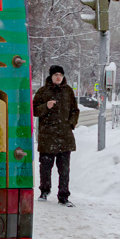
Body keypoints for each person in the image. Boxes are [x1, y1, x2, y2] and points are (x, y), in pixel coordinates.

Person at [33, 64, 79, 206]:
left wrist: (70, 124)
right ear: (51, 76)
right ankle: (44, 191)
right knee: (45, 168)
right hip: (47, 137)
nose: (58, 77)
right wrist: (46, 106)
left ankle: (63, 196)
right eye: (56, 75)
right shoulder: (42, 91)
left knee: (64, 170)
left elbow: (75, 110)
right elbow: (34, 110)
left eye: (61, 75)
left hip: (64, 137)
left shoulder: (68, 91)